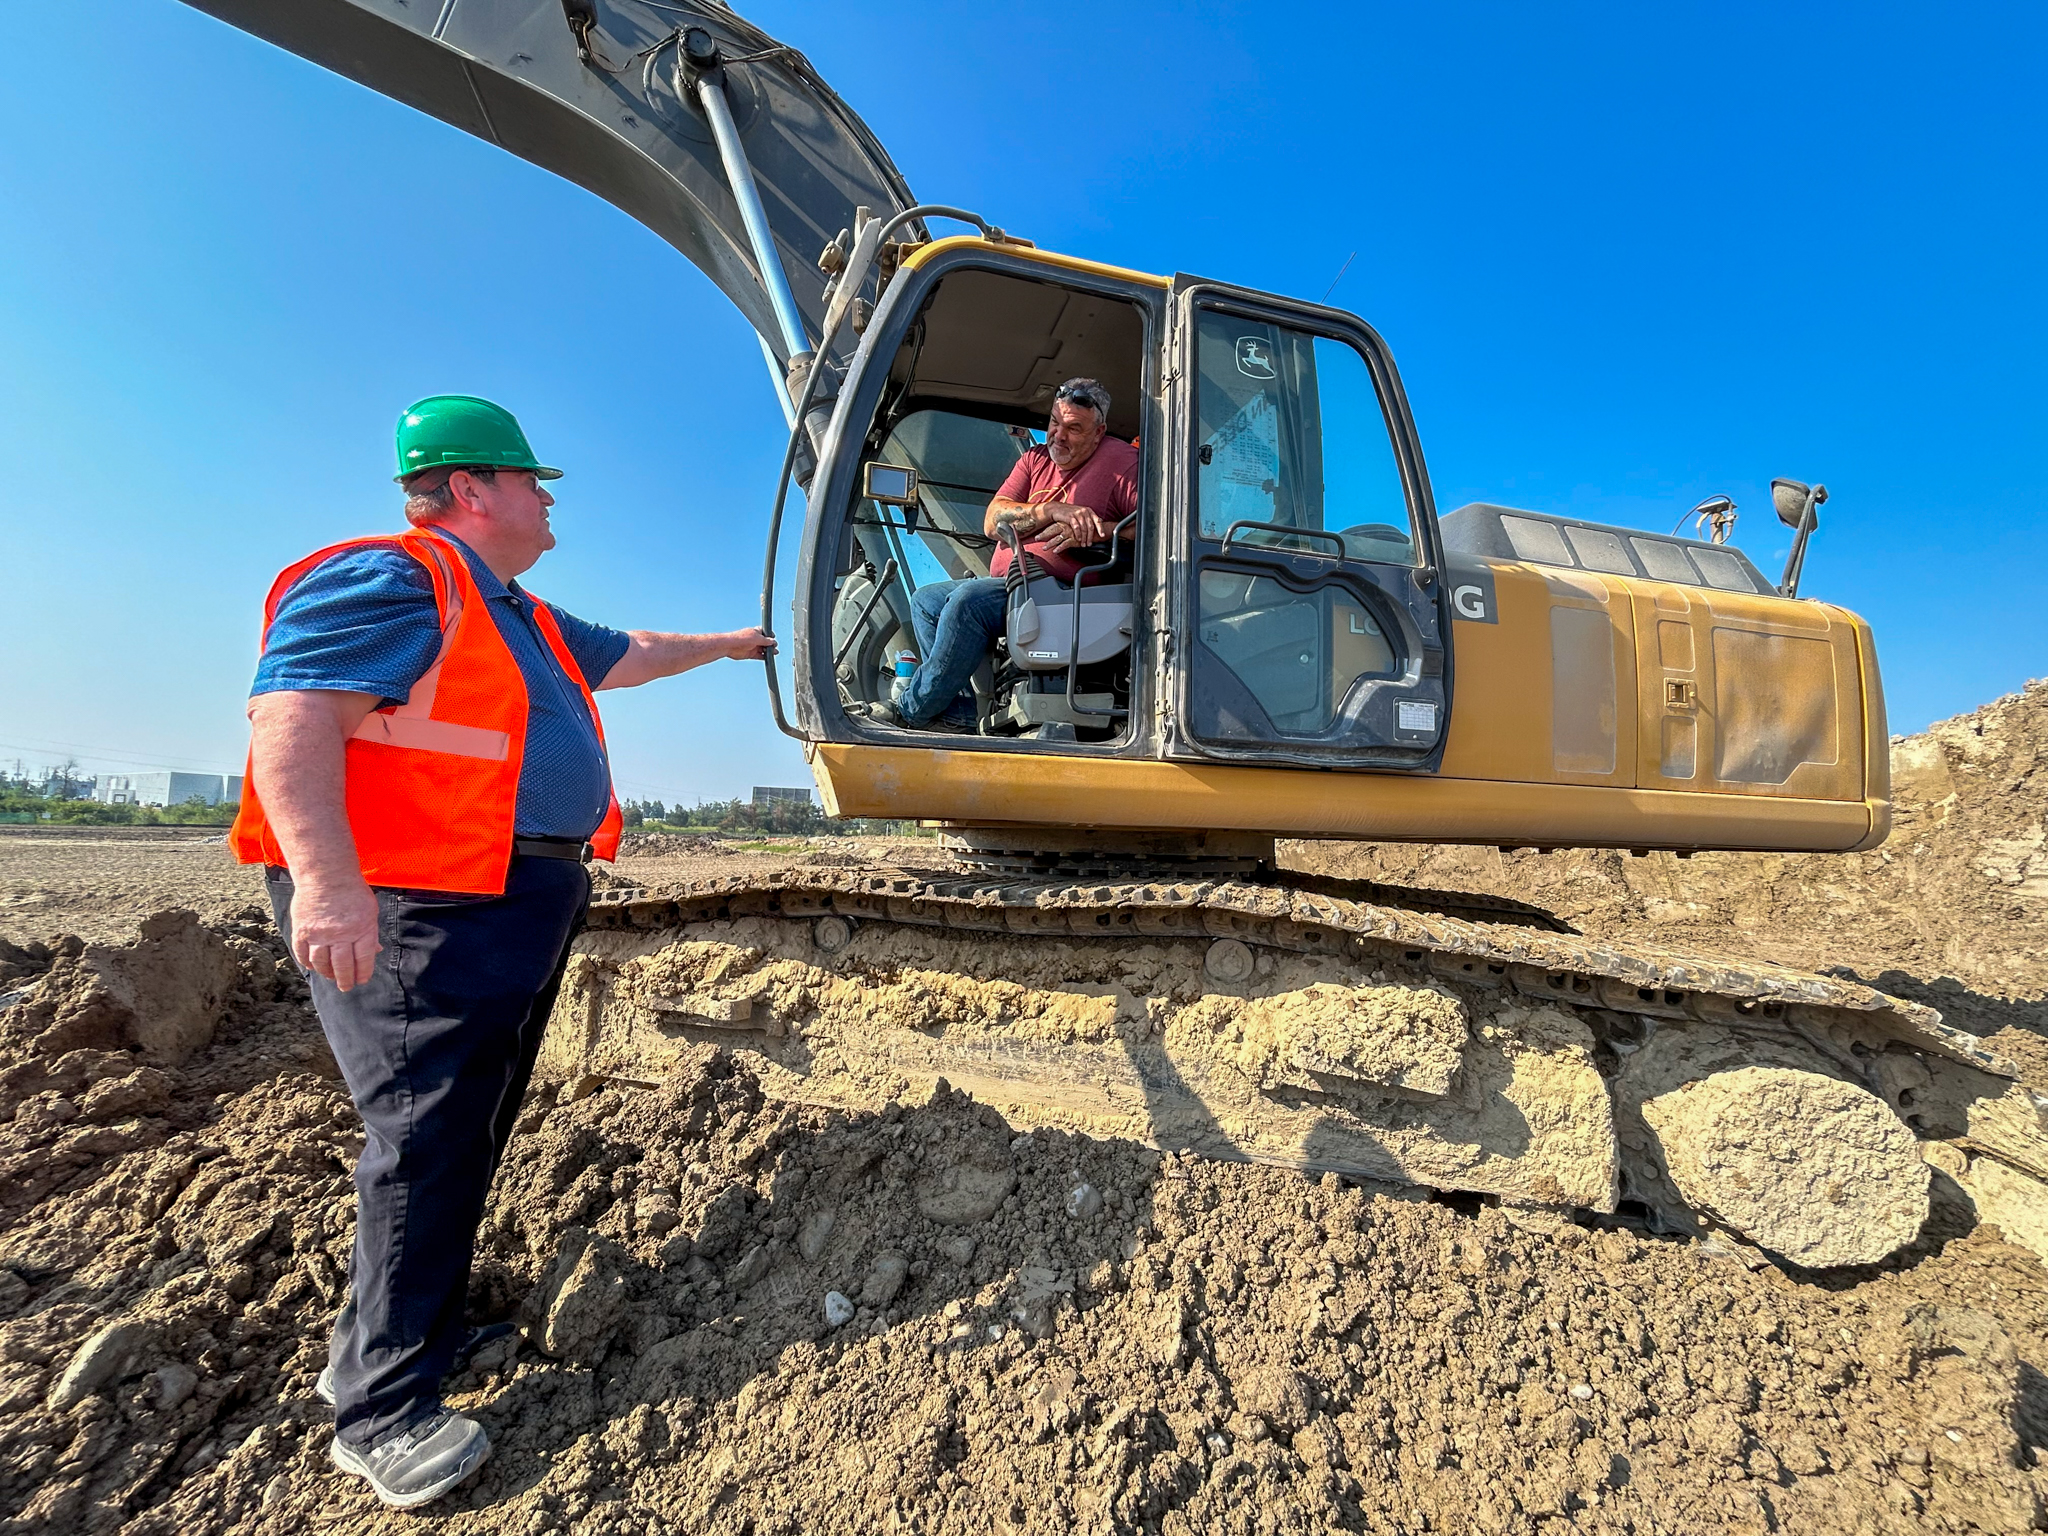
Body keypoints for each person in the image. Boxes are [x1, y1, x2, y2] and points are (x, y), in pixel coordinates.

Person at [230, 394, 773, 1509]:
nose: (548, 497)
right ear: (472, 489)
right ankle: (379, 1406)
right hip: (421, 897)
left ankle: (421, 1329)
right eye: (533, 482)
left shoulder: (513, 609)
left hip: (504, 890)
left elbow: (628, 654)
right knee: (424, 1132)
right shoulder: (395, 576)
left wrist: (731, 645)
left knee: (469, 1115)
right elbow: (291, 718)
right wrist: (328, 885)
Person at [874, 377, 1138, 731]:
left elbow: (1159, 526)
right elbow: (991, 520)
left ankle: (911, 710)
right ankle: (960, 710)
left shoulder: (1121, 461)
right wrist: (1050, 511)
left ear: (1098, 431)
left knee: (967, 603)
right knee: (926, 601)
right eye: (1054, 424)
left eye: (1074, 429)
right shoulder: (1034, 459)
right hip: (1012, 583)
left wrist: (1101, 530)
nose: (1058, 436)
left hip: (1062, 593)